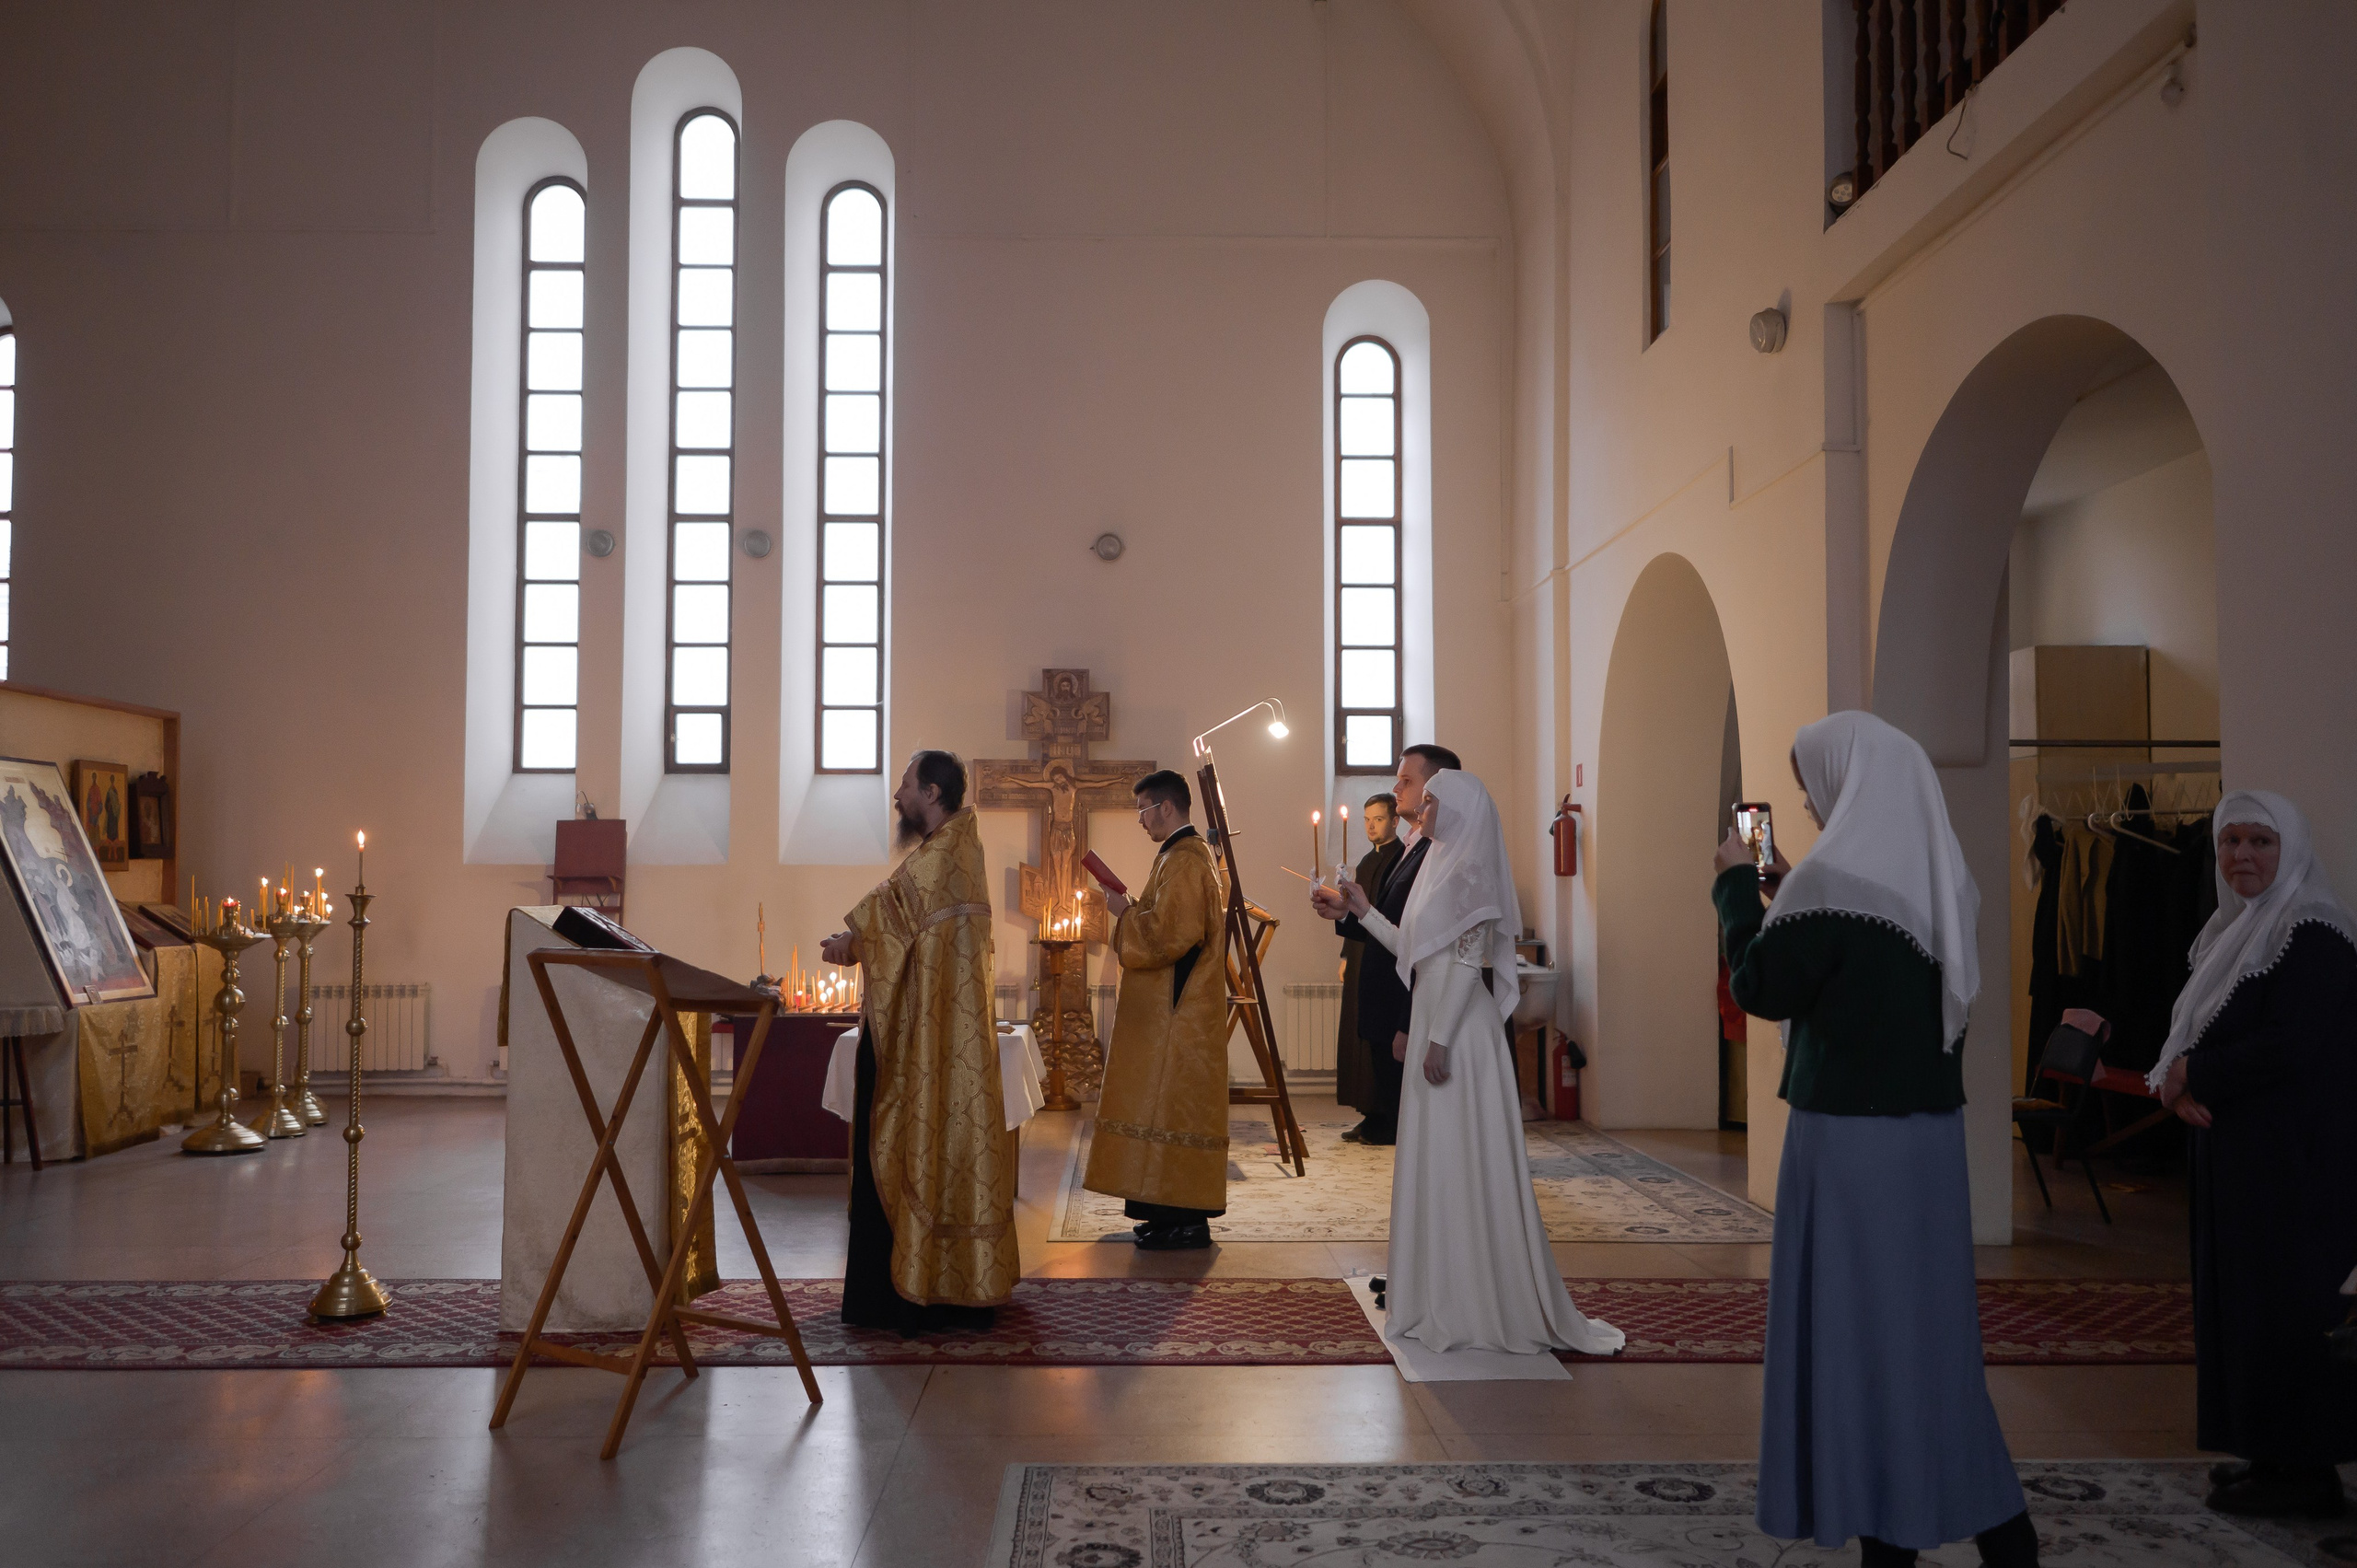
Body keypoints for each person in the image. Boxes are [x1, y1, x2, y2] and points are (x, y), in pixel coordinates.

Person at [1713, 711, 2036, 1567]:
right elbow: (1863, 974)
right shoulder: (1940, 877)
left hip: (1849, 1147)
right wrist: (1790, 891)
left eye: (1817, 787)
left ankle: (1885, 1527)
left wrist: (1736, 891)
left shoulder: (1829, 883)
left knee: (1857, 1339)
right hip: (1928, 1148)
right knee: (1924, 1340)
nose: (1815, 810)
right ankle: (1980, 1526)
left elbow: (1762, 983)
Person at [1318, 768, 1622, 1357]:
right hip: (1435, 1017)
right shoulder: (1436, 865)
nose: (1421, 809)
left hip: (1461, 1030)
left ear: (1459, 810)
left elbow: (1465, 963)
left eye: (1429, 800)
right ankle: (1441, 1288)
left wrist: (1439, 1039)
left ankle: (1480, 1297)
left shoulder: (1475, 873)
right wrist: (1361, 907)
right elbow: (1410, 947)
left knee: (1465, 1155)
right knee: (1434, 1157)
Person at [2150, 790, 2357, 1519]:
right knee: (2240, 1307)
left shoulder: (2316, 934)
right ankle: (2265, 1452)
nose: (2242, 855)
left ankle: (2307, 1470)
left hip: (2292, 1165)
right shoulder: (2229, 933)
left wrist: (2193, 1076)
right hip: (2240, 1157)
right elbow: (2196, 1037)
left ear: (2291, 849)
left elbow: (2288, 1045)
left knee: (2286, 1307)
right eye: (2230, 841)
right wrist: (2176, 1084)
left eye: (2260, 841)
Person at [821, 750, 1016, 1334]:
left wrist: (849, 945)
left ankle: (905, 1293)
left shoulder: (940, 857)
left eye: (905, 785)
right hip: (944, 1036)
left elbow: (887, 919)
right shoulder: (961, 848)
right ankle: (955, 1280)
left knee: (907, 1135)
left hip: (928, 1046)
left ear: (932, 792)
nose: (898, 796)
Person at [1083, 769, 1231, 1250]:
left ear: (1167, 807)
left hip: (1180, 1013)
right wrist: (1129, 907)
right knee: (1159, 1111)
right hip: (1171, 1010)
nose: (1140, 820)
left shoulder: (1187, 859)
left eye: (1143, 809)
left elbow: (1173, 935)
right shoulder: (1176, 855)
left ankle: (1187, 1222)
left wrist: (1122, 913)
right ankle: (1164, 1216)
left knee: (1175, 1113)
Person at [1318, 744, 1457, 1145]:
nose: (1396, 787)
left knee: (1422, 1134)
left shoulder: (1435, 854)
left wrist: (1406, 1022)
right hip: (1384, 1000)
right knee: (1409, 1135)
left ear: (1437, 788)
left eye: (1406, 780)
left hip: (1406, 1005)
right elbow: (1393, 929)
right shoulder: (1413, 848)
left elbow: (1427, 950)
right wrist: (1347, 912)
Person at [1335, 792, 1403, 1132]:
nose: (1371, 826)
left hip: (1387, 957)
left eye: (1378, 819)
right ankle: (1368, 1112)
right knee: (1357, 1029)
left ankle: (1386, 1116)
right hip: (1361, 954)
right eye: (1366, 820)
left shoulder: (1403, 858)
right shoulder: (1365, 862)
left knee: (1380, 1031)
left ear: (1395, 820)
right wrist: (1346, 954)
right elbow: (1354, 912)